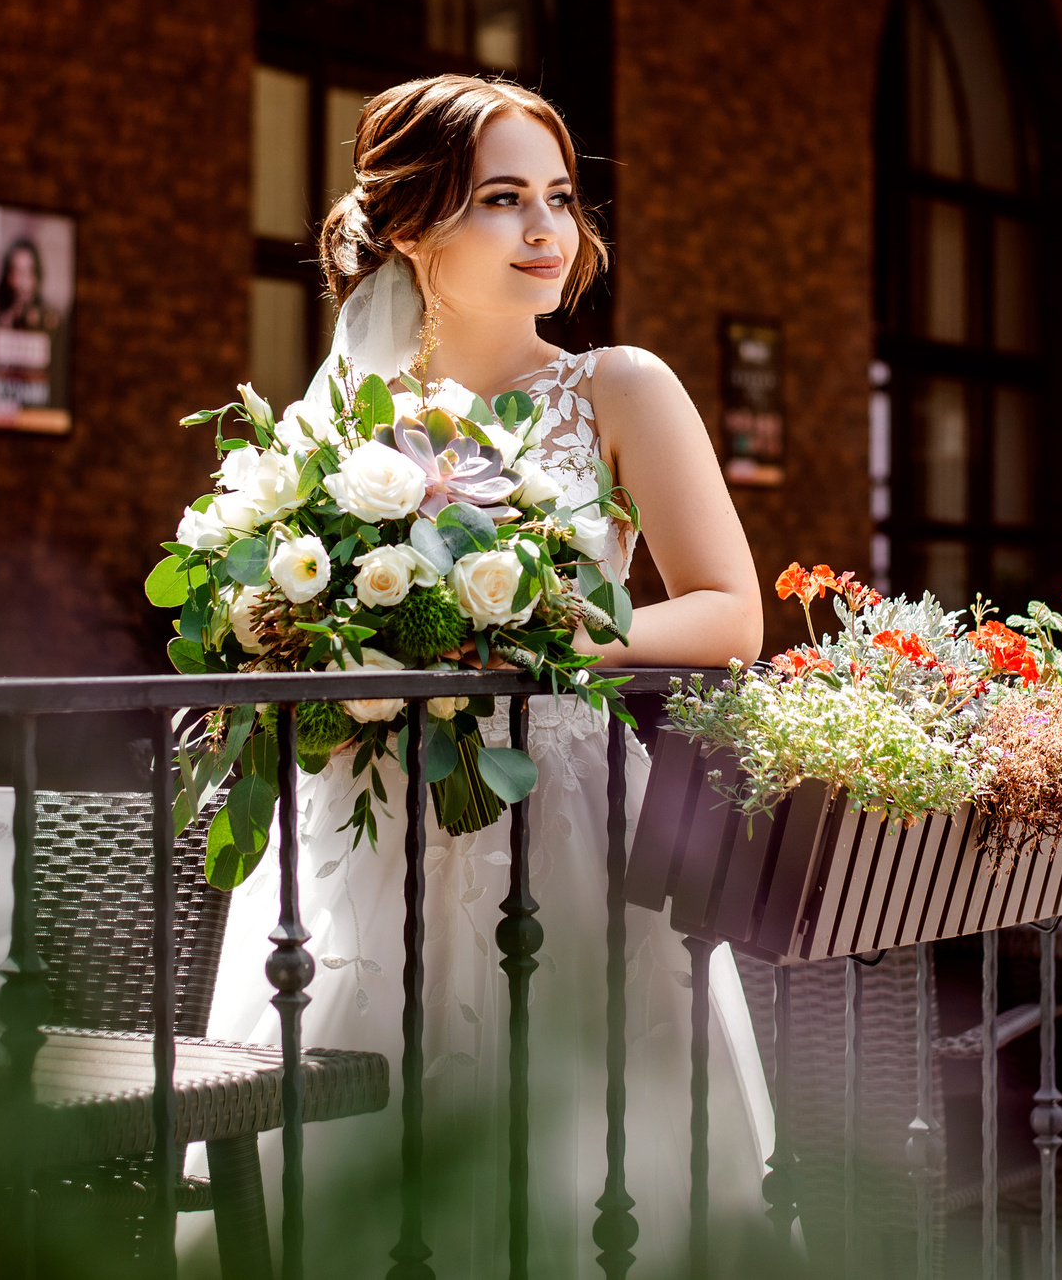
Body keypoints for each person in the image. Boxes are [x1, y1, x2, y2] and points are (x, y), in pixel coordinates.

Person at [189, 75, 772, 1273]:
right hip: (369, 824)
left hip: (562, 808)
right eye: (502, 199)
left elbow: (729, 613)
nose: (548, 231)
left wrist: (542, 635)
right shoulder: (344, 419)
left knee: (577, 1140)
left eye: (558, 198)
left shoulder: (618, 385)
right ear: (412, 224)